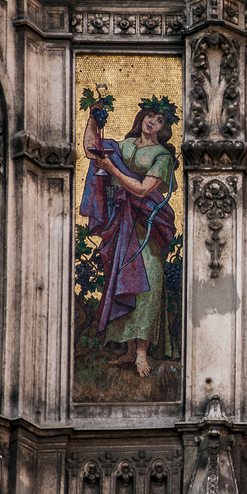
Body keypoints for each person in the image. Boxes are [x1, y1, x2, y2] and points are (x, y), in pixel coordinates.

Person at [80, 96, 180, 377]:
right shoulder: (123, 147)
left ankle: (141, 353)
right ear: (142, 118)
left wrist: (112, 168)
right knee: (124, 282)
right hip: (121, 225)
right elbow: (92, 150)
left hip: (147, 225)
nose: (152, 122)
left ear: (164, 127)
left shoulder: (162, 155)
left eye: (159, 120)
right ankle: (127, 349)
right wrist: (93, 118)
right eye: (150, 116)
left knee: (148, 282)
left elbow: (141, 189)